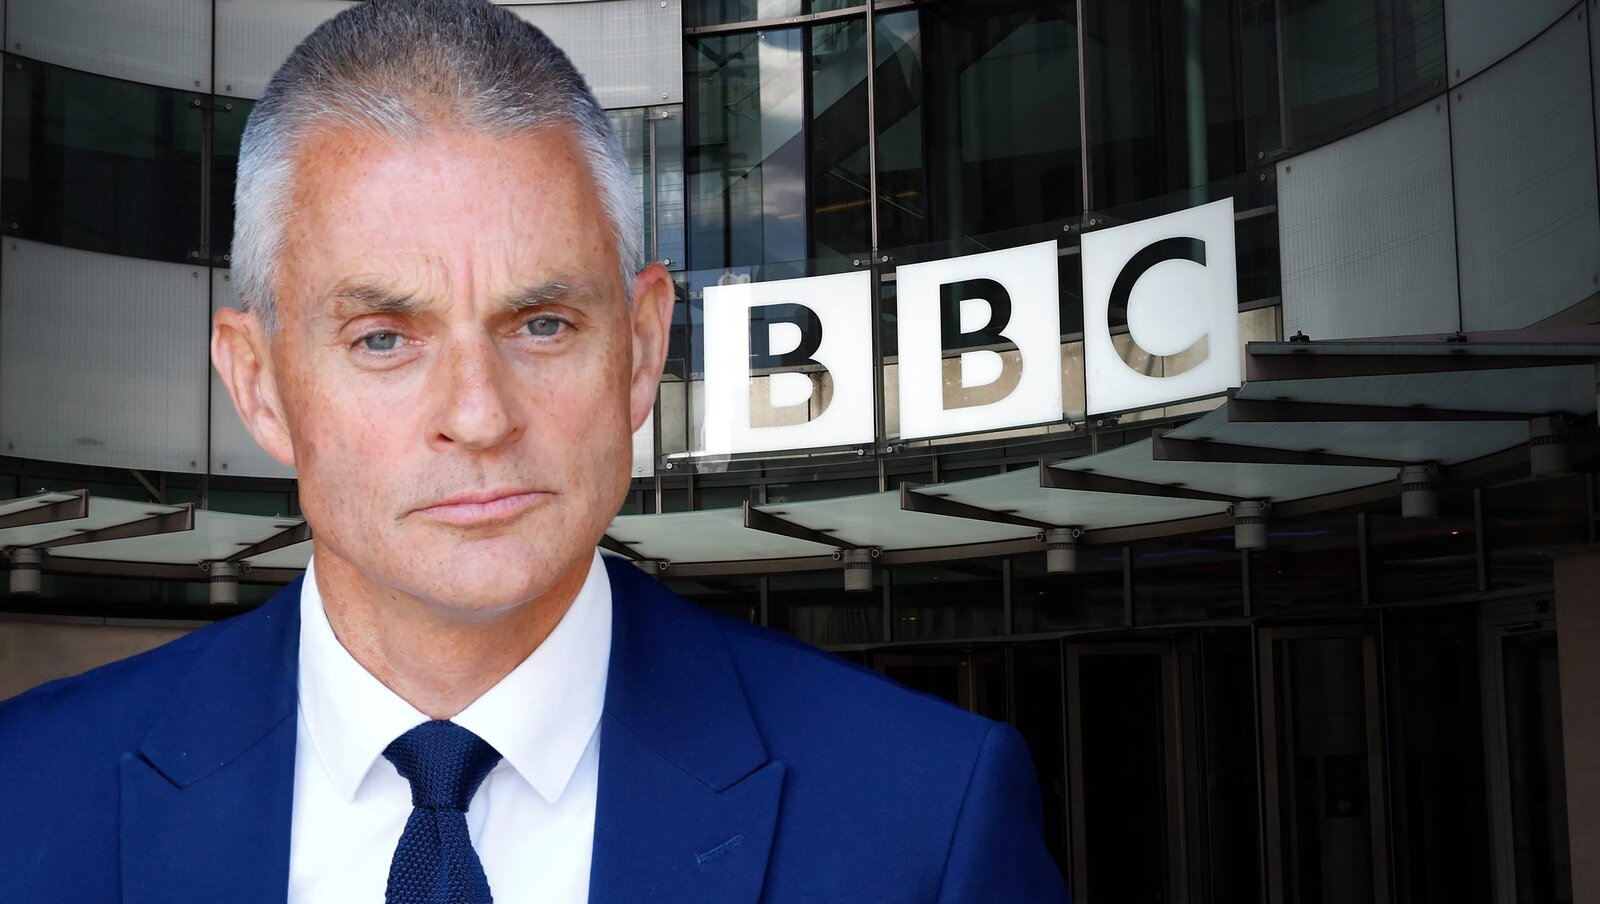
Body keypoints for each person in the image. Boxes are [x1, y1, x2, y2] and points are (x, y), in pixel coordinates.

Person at [0, 1, 1068, 901]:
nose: (479, 415)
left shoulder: (924, 816)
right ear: (258, 385)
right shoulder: (27, 794)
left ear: (640, 348)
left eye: (542, 324)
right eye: (384, 338)